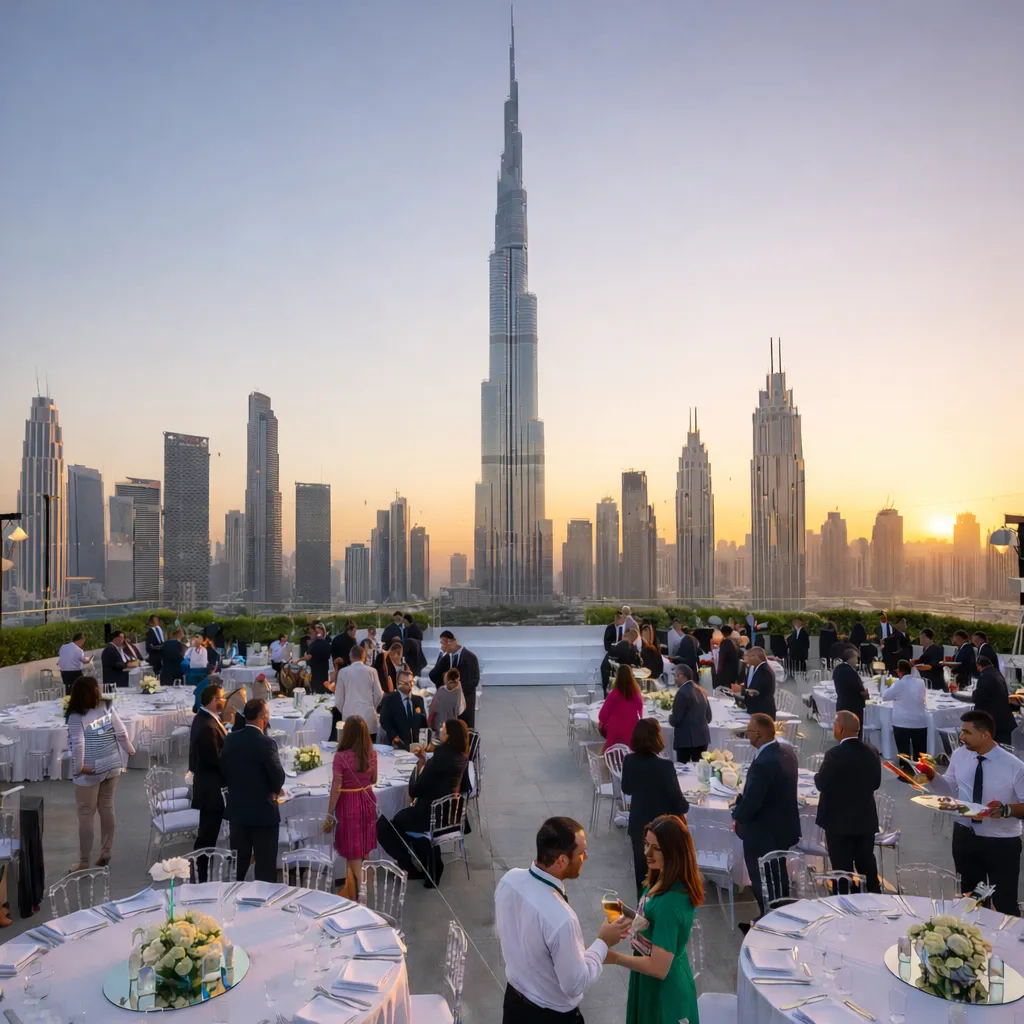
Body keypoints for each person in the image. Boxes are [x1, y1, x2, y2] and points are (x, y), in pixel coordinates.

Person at [494, 816, 631, 1023]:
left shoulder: (509, 880)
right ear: (562, 860)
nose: (586, 856)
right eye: (581, 852)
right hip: (551, 1017)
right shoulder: (562, 918)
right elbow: (574, 984)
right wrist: (604, 941)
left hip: (514, 1004)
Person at [606, 814, 702, 1024]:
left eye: (656, 848)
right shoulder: (662, 876)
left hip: (664, 990)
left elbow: (659, 968)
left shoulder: (671, 902)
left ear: (674, 852)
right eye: (646, 844)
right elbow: (655, 922)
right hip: (651, 980)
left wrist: (614, 957)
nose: (647, 853)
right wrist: (632, 916)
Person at [927, 710, 1024, 916]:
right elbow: (950, 789)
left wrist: (1006, 810)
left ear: (985, 735)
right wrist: (931, 776)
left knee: (1004, 902)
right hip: (965, 837)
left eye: (967, 732)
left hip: (1001, 843)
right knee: (970, 901)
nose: (961, 737)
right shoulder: (961, 755)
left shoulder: (1014, 766)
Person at [376, 718, 471, 887]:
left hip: (429, 814)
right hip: (448, 813)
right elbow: (442, 776)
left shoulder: (440, 756)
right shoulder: (461, 755)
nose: (441, 731)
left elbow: (415, 790)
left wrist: (419, 766)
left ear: (449, 735)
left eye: (443, 729)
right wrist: (426, 761)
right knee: (404, 823)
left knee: (386, 825)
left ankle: (409, 866)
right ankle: (427, 857)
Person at [731, 713, 801, 921]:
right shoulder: (787, 752)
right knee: (778, 877)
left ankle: (768, 918)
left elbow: (753, 801)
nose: (747, 735)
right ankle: (780, 913)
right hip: (784, 828)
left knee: (762, 879)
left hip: (763, 833)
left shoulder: (763, 763)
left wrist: (737, 815)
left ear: (759, 735)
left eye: (749, 731)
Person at [65, 676, 136, 870]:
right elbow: (121, 732)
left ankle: (84, 861)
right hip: (112, 765)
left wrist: (79, 767)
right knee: (107, 807)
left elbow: (78, 743)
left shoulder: (76, 716)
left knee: (86, 814)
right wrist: (129, 749)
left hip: (89, 769)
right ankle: (106, 851)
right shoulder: (106, 707)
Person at [813, 710, 881, 892]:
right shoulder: (872, 751)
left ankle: (843, 901)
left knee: (842, 870)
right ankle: (875, 896)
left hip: (838, 822)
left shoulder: (834, 754)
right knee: (866, 863)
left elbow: (821, 783)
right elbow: (876, 783)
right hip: (865, 819)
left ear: (840, 728)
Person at [620, 720, 689, 897]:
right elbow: (678, 801)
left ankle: (642, 913)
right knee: (663, 879)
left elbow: (626, 788)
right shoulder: (664, 767)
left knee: (642, 878)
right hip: (662, 831)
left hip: (639, 827)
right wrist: (686, 805)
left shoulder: (629, 761)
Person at [220, 698, 286, 882]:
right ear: (263, 717)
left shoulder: (231, 739)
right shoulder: (266, 743)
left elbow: (223, 769)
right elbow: (278, 776)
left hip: (238, 811)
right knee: (265, 869)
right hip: (263, 813)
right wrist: (275, 790)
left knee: (238, 867)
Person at [323, 715, 378, 899]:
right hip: (367, 800)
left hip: (349, 803)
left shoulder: (341, 757)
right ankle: (360, 887)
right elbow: (374, 780)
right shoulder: (372, 754)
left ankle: (361, 893)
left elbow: (336, 787)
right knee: (363, 849)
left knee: (353, 851)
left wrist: (329, 814)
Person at [189, 683, 227, 882]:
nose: (223, 701)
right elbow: (215, 760)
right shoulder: (206, 726)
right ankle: (199, 878)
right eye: (221, 697)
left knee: (208, 834)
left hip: (209, 787)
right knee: (207, 837)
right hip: (211, 791)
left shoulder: (206, 719)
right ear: (213, 700)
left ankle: (201, 874)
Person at [429, 630, 480, 729]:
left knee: (466, 730)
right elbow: (433, 675)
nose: (442, 647)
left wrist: (457, 691)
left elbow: (474, 680)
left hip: (465, 702)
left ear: (451, 642)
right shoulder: (447, 658)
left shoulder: (470, 657)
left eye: (443, 643)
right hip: (450, 706)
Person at [880, 660, 929, 759]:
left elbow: (884, 696)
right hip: (919, 722)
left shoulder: (898, 684)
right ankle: (921, 773)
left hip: (902, 723)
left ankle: (906, 772)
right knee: (920, 755)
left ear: (899, 671)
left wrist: (883, 683)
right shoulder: (921, 682)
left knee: (904, 754)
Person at [334, 642, 383, 741]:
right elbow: (379, 694)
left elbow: (338, 699)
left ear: (350, 657)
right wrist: (372, 706)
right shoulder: (372, 671)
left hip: (349, 716)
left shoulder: (343, 672)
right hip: (368, 715)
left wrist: (345, 709)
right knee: (369, 748)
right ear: (364, 657)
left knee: (350, 748)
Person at [668, 664, 712, 763]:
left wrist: (669, 718)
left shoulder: (682, 693)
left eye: (675, 676)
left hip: (685, 741)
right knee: (699, 771)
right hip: (702, 738)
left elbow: (676, 720)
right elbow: (708, 718)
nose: (674, 679)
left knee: (683, 771)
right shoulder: (702, 690)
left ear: (682, 676)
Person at [970, 656, 1016, 746]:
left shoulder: (986, 676)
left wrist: (973, 694)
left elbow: (978, 697)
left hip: (994, 721)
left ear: (979, 666)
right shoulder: (997, 673)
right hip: (1003, 719)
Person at [379, 668, 429, 749]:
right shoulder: (389, 699)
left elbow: (423, 723)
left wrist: (425, 742)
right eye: (406, 683)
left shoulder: (418, 700)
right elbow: (384, 721)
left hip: (416, 746)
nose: (409, 685)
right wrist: (394, 737)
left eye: (411, 682)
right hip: (397, 746)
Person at [598, 664, 644, 752]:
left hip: (615, 733)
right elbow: (640, 714)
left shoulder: (613, 694)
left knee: (609, 756)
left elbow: (602, 716)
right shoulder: (636, 695)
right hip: (631, 733)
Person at [733, 647, 776, 719]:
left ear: (754, 657)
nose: (746, 659)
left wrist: (741, 690)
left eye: (748, 656)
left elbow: (757, 691)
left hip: (763, 712)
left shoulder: (764, 670)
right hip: (756, 710)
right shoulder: (756, 668)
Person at [833, 645, 869, 732]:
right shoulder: (851, 671)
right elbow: (860, 690)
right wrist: (867, 695)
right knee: (853, 731)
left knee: (843, 729)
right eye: (856, 658)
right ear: (851, 658)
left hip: (841, 703)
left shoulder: (837, 669)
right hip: (853, 707)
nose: (857, 661)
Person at [601, 627, 641, 697]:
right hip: (626, 684)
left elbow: (605, 665)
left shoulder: (617, 646)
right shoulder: (635, 651)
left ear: (624, 635)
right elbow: (638, 665)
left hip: (612, 681)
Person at [428, 667, 467, 733]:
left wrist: (429, 723)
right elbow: (460, 710)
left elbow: (433, 709)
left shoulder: (441, 690)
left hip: (439, 725)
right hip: (452, 727)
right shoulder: (458, 692)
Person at [301, 625, 333, 694]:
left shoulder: (313, 645)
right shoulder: (327, 644)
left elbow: (308, 660)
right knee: (323, 690)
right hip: (323, 671)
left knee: (316, 691)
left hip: (315, 671)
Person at [184, 633, 210, 703]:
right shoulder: (191, 649)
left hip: (202, 672)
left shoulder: (204, 650)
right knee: (191, 689)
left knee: (201, 690)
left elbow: (203, 663)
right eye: (195, 640)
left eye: (197, 640)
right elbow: (185, 657)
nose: (196, 642)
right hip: (193, 672)